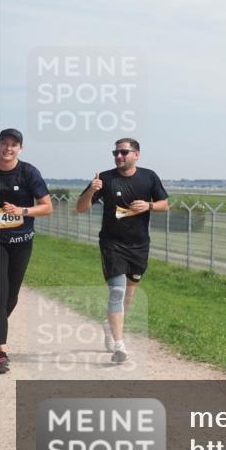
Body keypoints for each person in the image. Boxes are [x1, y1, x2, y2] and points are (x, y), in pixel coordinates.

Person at [76, 138, 169, 364]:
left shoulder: (149, 177)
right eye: (116, 153)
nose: (119, 156)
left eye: (124, 152)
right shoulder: (105, 179)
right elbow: (80, 208)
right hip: (112, 244)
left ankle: (109, 326)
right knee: (117, 292)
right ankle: (119, 345)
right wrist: (91, 190)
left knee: (129, 294)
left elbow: (164, 204)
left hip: (139, 245)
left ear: (136, 154)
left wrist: (148, 205)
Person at [0, 128, 53, 375]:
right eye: (4, 143)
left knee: (10, 298)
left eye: (13, 144)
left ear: (20, 148)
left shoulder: (29, 172)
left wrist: (22, 211)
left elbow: (47, 207)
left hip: (22, 241)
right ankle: (1, 352)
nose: (8, 148)